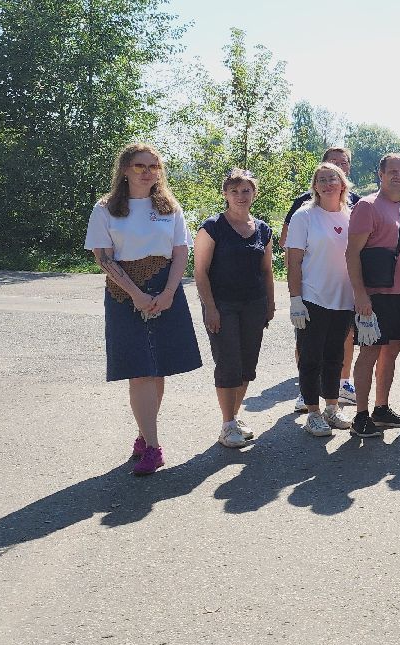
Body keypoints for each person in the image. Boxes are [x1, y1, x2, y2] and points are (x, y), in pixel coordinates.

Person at [85, 143, 202, 476]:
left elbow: (181, 251)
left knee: (158, 368)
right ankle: (153, 447)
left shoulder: (169, 207)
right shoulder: (105, 209)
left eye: (154, 166)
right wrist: (136, 293)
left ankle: (143, 435)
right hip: (124, 294)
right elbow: (103, 257)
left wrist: (168, 292)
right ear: (125, 169)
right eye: (140, 166)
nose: (148, 172)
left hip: (166, 291)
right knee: (139, 370)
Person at [193, 168, 275, 449]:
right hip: (222, 305)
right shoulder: (212, 226)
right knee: (228, 363)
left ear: (254, 193)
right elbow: (200, 272)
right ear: (225, 194)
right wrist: (210, 308)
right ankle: (227, 424)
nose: (240, 196)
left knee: (246, 365)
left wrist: (270, 302)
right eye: (234, 191)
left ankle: (234, 417)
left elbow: (267, 271)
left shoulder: (262, 229)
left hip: (254, 304)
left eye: (246, 191)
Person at [345, 152, 400, 438]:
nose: (398, 176)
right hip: (375, 295)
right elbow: (352, 253)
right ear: (381, 173)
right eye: (393, 171)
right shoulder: (367, 207)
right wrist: (360, 295)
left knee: (393, 349)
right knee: (370, 352)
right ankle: (361, 415)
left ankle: (381, 408)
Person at [281, 145, 360, 409]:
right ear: (315, 186)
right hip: (313, 298)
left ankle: (331, 409)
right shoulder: (304, 215)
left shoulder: (353, 215)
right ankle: (313, 412)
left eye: (333, 178)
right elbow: (293, 261)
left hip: (344, 299)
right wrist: (295, 300)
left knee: (335, 357)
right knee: (311, 357)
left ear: (343, 183)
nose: (327, 184)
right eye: (321, 180)